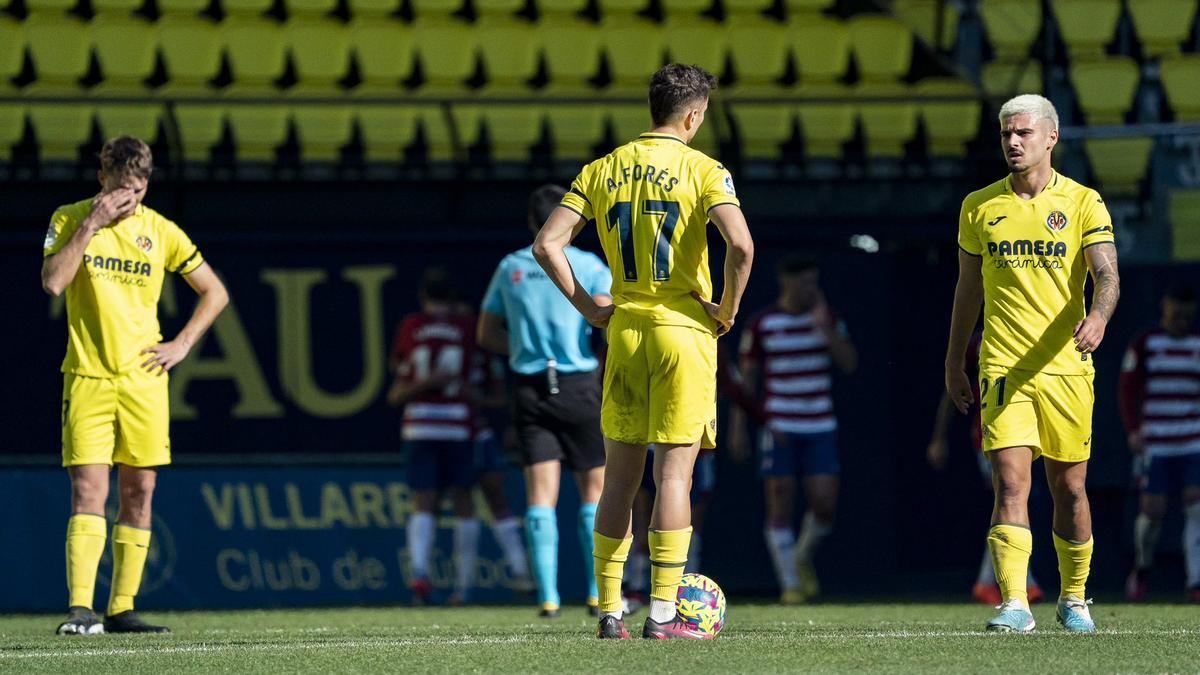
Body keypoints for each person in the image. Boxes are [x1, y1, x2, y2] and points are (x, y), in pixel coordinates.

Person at [533, 63, 754, 640]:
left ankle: (609, 610)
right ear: (693, 114)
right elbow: (741, 246)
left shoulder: (603, 169)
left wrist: (587, 306)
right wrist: (727, 309)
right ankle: (661, 614)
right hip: (683, 330)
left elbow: (547, 244)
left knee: (619, 481)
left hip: (626, 330)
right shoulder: (705, 169)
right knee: (674, 478)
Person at [945, 94, 1120, 633]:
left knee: (1069, 489)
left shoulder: (1084, 202)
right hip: (1004, 367)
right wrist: (955, 360)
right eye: (1005, 134)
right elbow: (967, 289)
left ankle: (1074, 597)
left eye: (1023, 133)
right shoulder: (979, 206)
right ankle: (1015, 603)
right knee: (1011, 483)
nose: (1013, 142)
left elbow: (1108, 276)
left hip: (1066, 368)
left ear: (1051, 138)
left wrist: (1098, 317)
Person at [43, 136, 229, 635]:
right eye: (121, 188)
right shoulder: (70, 217)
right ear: (102, 180)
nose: (130, 199)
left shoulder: (162, 231)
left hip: (143, 380)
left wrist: (183, 344)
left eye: (139, 189)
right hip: (88, 375)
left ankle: (121, 608)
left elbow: (215, 292)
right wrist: (91, 225)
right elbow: (53, 282)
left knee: (140, 490)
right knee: (88, 489)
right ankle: (80, 609)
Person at [477, 184, 612, 617]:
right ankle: (597, 593)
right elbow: (609, 315)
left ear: (531, 222)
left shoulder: (512, 266)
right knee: (594, 491)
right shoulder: (589, 264)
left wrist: (521, 348)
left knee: (540, 497)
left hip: (531, 387)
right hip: (579, 386)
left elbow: (485, 333)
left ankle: (548, 597)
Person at [927, 331, 1044, 605]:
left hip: (1031, 432)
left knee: (1012, 500)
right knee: (1011, 497)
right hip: (989, 434)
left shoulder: (1036, 329)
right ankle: (1021, 582)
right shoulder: (979, 341)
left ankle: (989, 580)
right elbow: (953, 389)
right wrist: (939, 437)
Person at [388, 268, 481, 605]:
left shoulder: (411, 325)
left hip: (420, 423)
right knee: (464, 502)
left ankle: (420, 577)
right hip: (457, 423)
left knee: (423, 502)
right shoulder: (466, 327)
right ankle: (463, 586)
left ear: (423, 296)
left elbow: (397, 367)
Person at [1120, 284, 1200, 602]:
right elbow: (1127, 389)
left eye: (1185, 312)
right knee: (1152, 511)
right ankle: (1142, 567)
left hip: (1193, 439)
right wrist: (1133, 430)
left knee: (1197, 505)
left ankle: (1195, 581)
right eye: (1174, 310)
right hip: (1157, 442)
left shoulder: (1197, 344)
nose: (1180, 317)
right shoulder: (1145, 344)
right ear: (1164, 308)